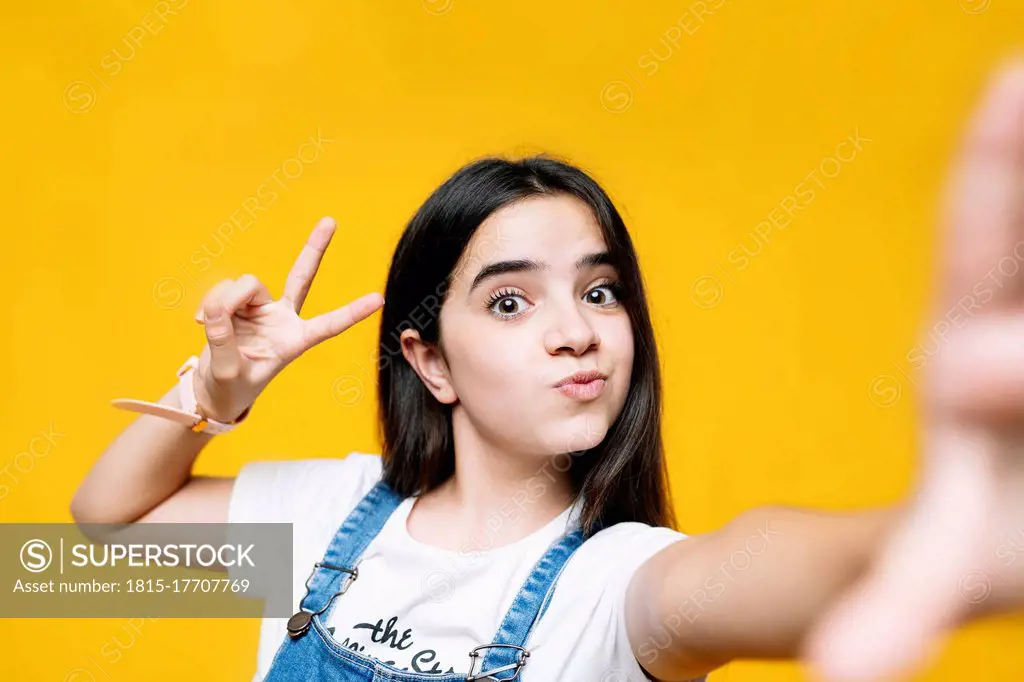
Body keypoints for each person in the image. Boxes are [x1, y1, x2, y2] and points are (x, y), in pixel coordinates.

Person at [71, 59, 1024, 682]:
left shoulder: (623, 588)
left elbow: (759, 567)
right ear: (428, 358)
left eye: (602, 293)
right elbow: (94, 545)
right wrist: (214, 394)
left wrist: (943, 532)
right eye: (512, 301)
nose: (579, 332)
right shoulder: (321, 520)